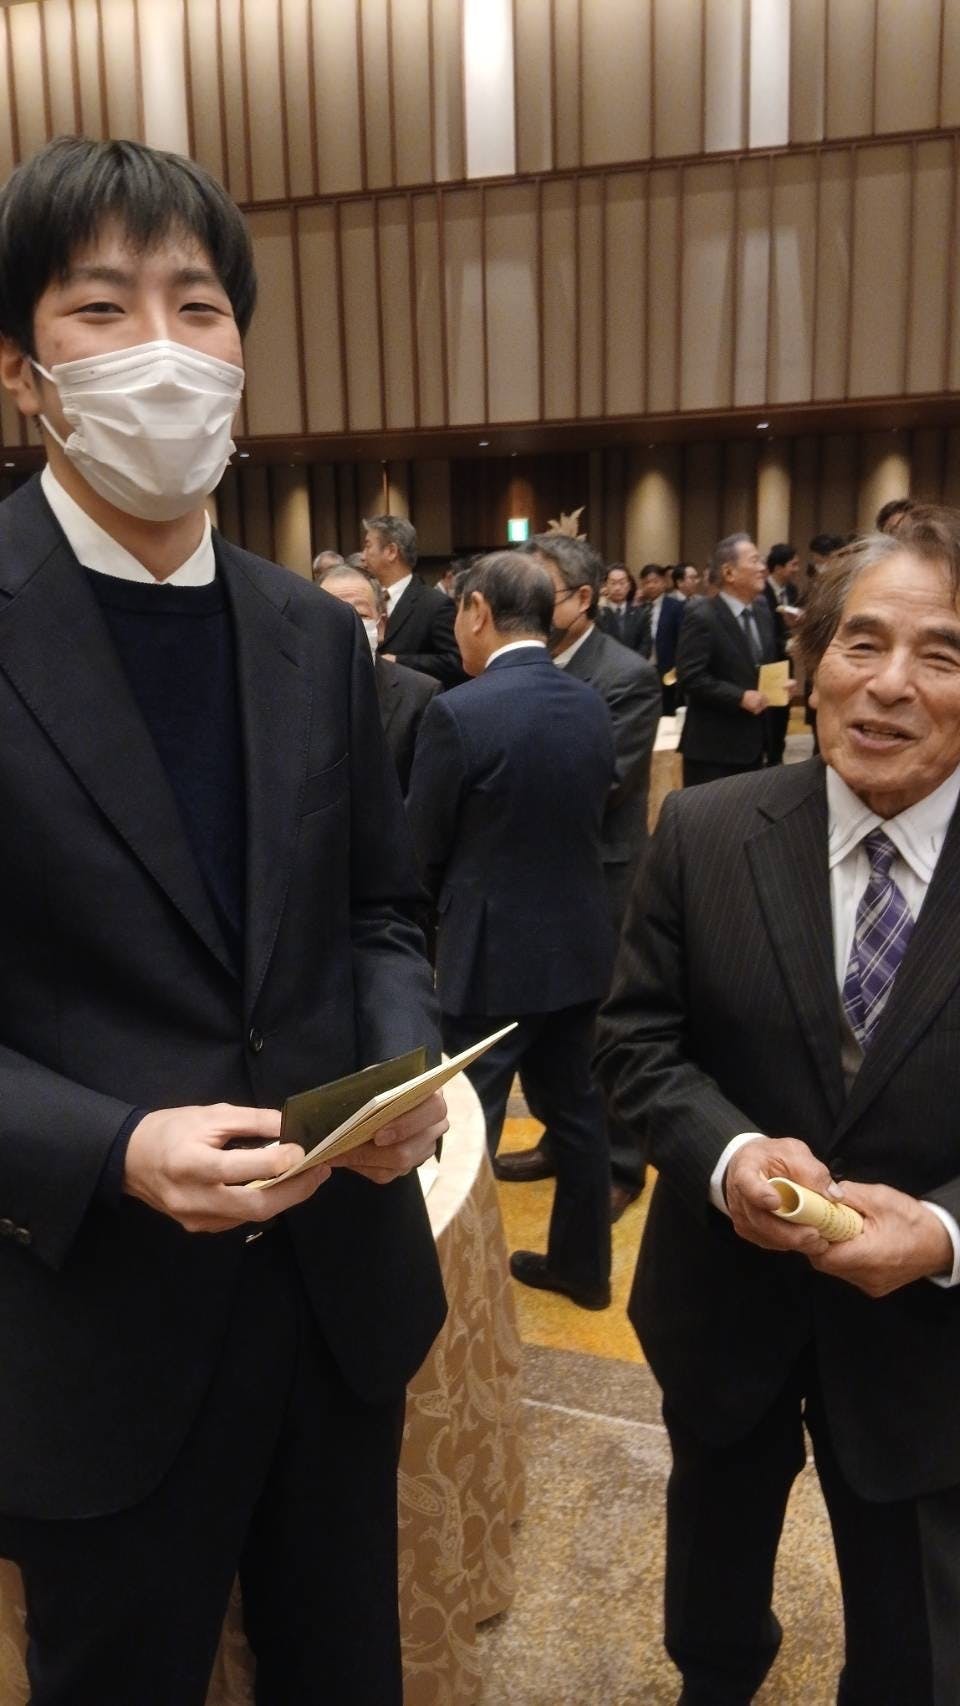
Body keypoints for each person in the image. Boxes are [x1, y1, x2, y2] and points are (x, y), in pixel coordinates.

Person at [0, 135, 448, 1706]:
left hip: (334, 1299)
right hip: (93, 1319)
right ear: (21, 372)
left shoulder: (308, 634)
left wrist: (402, 1063)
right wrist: (114, 1146)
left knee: (346, 1669)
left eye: (199, 307)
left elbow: (378, 909)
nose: (165, 349)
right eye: (102, 306)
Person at [595, 507, 960, 1706]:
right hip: (724, 1304)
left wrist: (942, 1231)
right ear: (810, 662)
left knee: (915, 1637)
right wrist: (729, 1152)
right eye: (863, 641)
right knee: (712, 1577)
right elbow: (635, 1040)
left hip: (928, 1343)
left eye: (942, 654)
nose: (891, 684)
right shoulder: (706, 831)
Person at [406, 551, 616, 1309]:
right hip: (580, 943)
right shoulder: (590, 702)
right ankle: (585, 1271)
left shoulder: (459, 711)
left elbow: (421, 849)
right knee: (579, 1116)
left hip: (491, 956)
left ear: (477, 611)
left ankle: (451, 1297)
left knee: (467, 1127)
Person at [493, 532, 661, 1219]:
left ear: (583, 599)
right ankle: (561, 1142)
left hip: (600, 877)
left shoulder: (624, 675)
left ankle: (618, 1163)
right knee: (547, 1027)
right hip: (531, 879)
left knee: (601, 1028)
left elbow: (608, 782)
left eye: (544, 591)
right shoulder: (521, 665)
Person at [318, 561, 439, 792]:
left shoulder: (421, 694)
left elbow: (425, 793)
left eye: (360, 614)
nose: (348, 625)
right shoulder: (292, 693)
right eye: (332, 614)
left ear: (381, 626)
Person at [677, 532, 778, 787]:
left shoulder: (762, 610)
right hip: (714, 749)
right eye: (754, 561)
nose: (763, 568)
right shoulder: (702, 615)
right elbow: (691, 677)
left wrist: (776, 686)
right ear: (729, 573)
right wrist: (739, 697)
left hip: (756, 743)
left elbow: (757, 665)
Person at [362, 513, 463, 687]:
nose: (363, 556)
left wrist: (399, 661)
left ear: (391, 552)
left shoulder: (434, 604)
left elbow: (455, 662)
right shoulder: (370, 599)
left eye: (368, 546)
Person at [763, 542, 802, 765]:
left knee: (783, 713)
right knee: (767, 714)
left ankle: (777, 757)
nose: (797, 569)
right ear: (778, 567)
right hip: (767, 663)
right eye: (793, 565)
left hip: (786, 662)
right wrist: (784, 644)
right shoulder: (761, 592)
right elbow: (763, 632)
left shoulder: (792, 591)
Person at [596, 563, 646, 651]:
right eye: (613, 583)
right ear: (605, 585)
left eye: (622, 583)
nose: (617, 588)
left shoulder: (640, 613)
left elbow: (645, 645)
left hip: (634, 659)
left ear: (629, 586)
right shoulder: (597, 614)